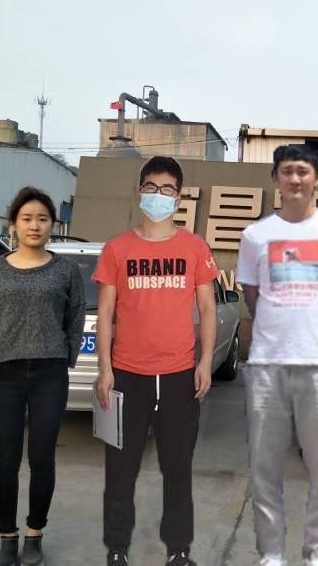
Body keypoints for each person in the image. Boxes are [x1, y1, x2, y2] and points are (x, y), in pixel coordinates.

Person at [236, 144, 318, 566]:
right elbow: (252, 295)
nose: (295, 179)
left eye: (303, 171)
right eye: (287, 171)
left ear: (317, 178)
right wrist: (279, 325)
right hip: (266, 369)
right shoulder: (256, 236)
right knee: (264, 472)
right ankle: (271, 555)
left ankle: (317, 554)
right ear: (276, 178)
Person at [94, 156, 219, 566]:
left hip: (180, 376)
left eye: (167, 189)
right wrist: (105, 370)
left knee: (178, 469)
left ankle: (178, 550)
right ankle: (117, 549)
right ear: (139, 191)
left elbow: (207, 308)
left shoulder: (194, 248)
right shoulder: (117, 249)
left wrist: (204, 362)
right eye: (151, 187)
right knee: (120, 469)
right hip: (127, 376)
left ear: (178, 198)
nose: (158, 195)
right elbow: (106, 313)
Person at [0, 186, 85, 566]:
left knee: (42, 458)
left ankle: (35, 534)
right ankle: (7, 537)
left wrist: (66, 356)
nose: (34, 225)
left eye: (42, 219)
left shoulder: (65, 270)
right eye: (27, 219)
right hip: (4, 373)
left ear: (53, 224)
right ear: (13, 224)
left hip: (49, 372)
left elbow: (75, 316)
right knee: (5, 458)